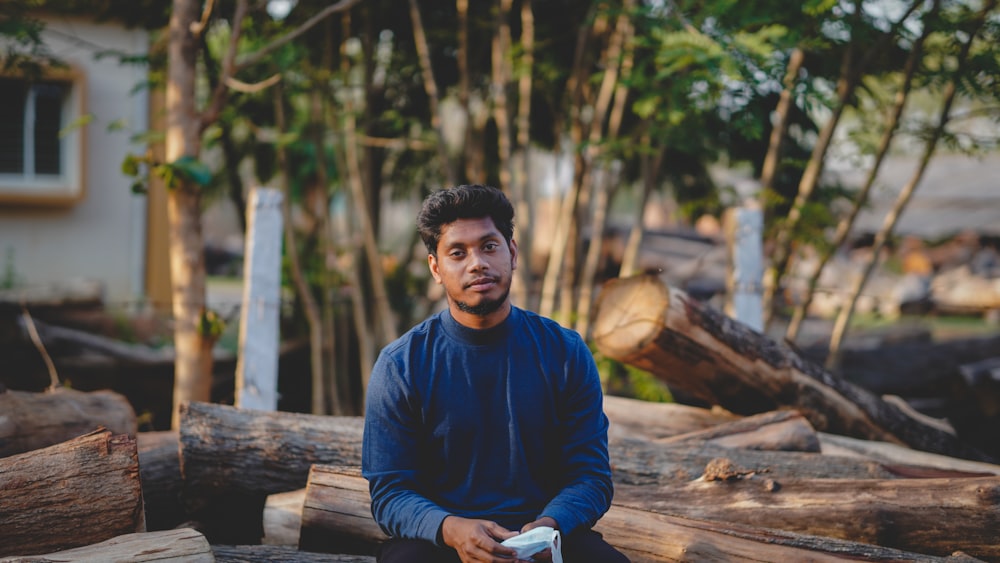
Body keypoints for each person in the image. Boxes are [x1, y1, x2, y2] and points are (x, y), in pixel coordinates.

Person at [362, 184, 629, 562]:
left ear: (512, 253)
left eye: (489, 246)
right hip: (442, 544)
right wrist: (451, 528)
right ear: (436, 268)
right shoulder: (401, 365)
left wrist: (551, 525)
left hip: (545, 539)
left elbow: (591, 476)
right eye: (458, 253)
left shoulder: (565, 352)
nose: (477, 263)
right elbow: (390, 491)